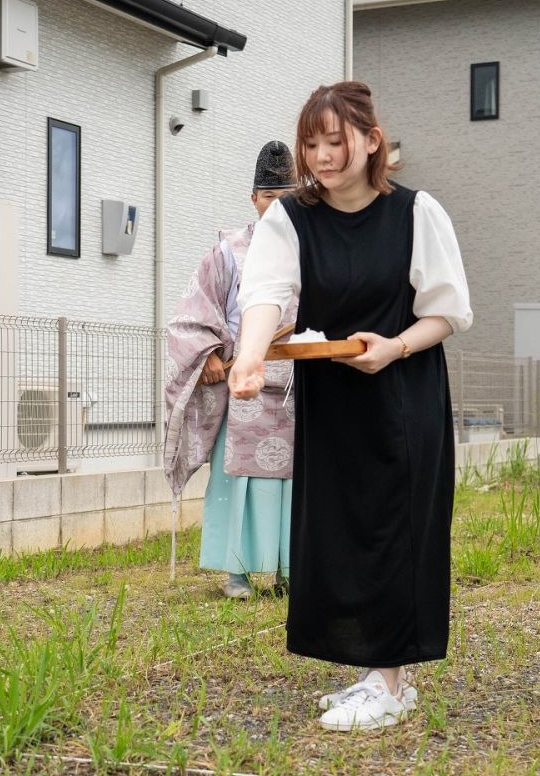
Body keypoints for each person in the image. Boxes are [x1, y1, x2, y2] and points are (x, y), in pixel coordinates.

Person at [229, 82, 472, 731]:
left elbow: (447, 312)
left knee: (395, 526)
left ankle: (391, 682)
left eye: (334, 141)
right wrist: (251, 358)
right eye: (312, 143)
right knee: (340, 528)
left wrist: (393, 346)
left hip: (402, 390)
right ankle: (378, 673)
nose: (322, 156)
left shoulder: (416, 213)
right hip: (333, 398)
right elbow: (268, 294)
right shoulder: (292, 216)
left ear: (371, 140)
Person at [163, 141, 298, 599]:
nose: (277, 207)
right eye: (269, 197)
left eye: (287, 198)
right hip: (245, 380)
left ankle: (290, 569)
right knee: (239, 477)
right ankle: (237, 572)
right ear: (254, 198)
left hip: (300, 381)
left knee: (300, 479)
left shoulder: (313, 248)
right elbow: (192, 311)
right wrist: (209, 356)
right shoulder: (227, 252)